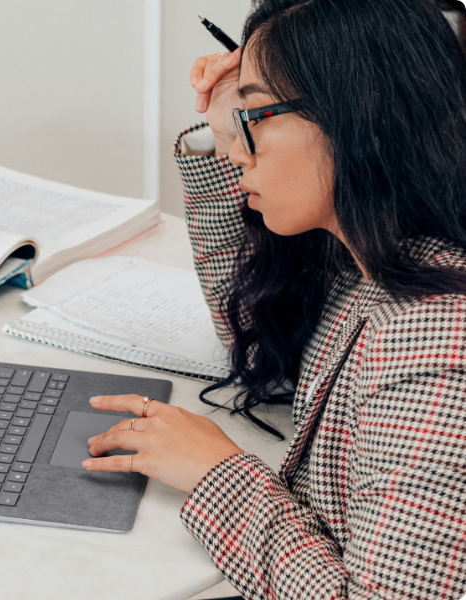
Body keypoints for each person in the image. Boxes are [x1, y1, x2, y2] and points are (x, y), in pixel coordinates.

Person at [82, 0, 466, 598]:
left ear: (356, 119)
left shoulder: (437, 347)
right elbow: (252, 329)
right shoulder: (377, 254)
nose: (236, 150)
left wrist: (217, 472)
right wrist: (229, 112)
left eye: (255, 115)